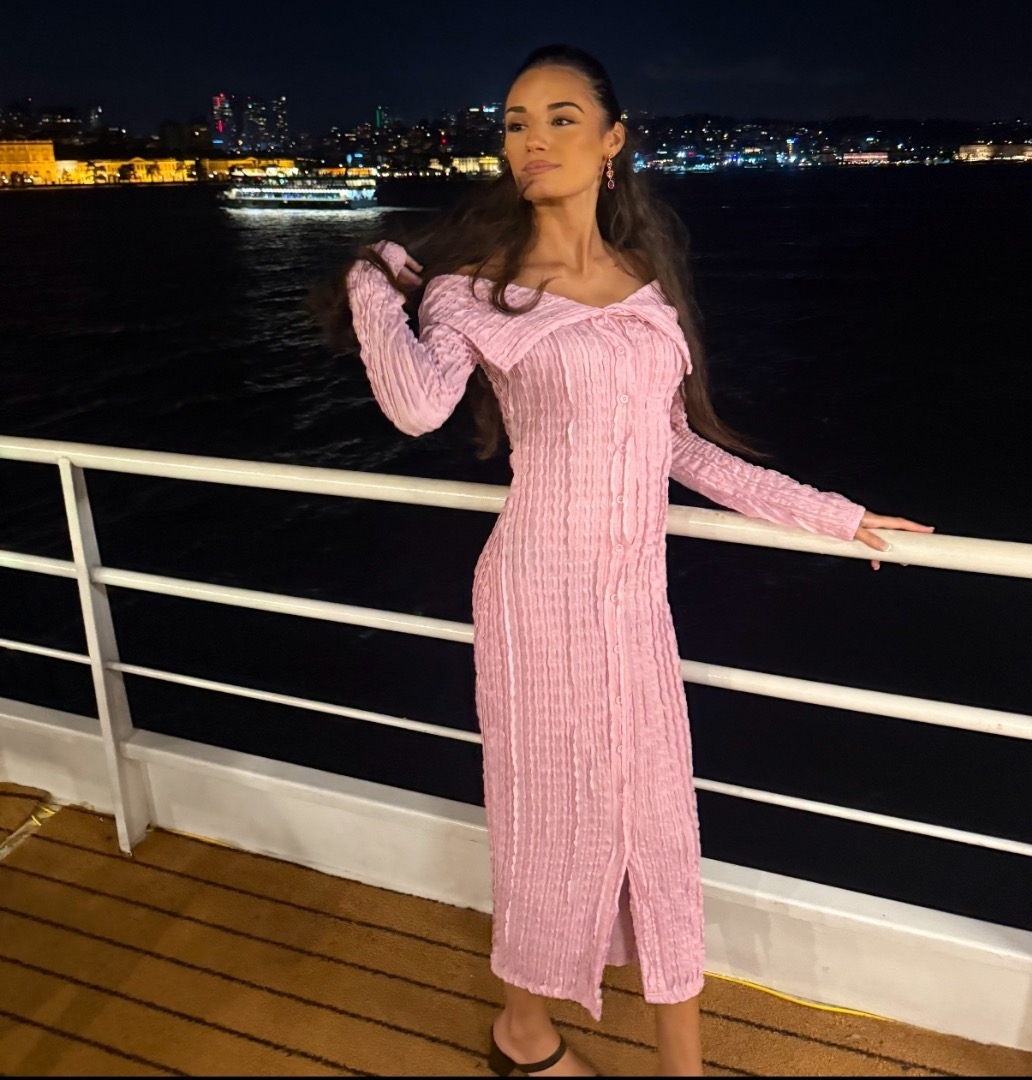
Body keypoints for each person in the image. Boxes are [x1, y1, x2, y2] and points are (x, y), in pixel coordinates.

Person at [323, 43, 933, 1078]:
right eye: (516, 123)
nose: (533, 140)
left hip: (631, 607)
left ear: (612, 141)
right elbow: (419, 407)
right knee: (546, 820)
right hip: (533, 596)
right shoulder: (480, 290)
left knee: (658, 827)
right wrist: (371, 280)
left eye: (561, 118)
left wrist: (833, 516)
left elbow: (681, 448)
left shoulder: (646, 289)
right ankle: (523, 1031)